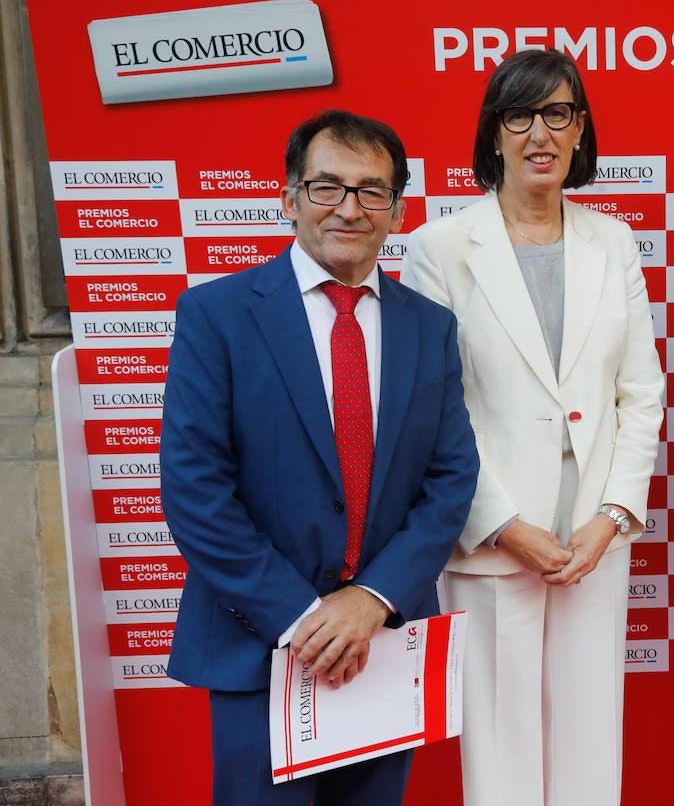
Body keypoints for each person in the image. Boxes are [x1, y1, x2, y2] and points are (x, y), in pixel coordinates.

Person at [160, 109, 479, 805]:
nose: (348, 207)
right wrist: (302, 617)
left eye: (371, 191)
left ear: (396, 211)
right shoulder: (216, 315)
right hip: (261, 645)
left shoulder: (429, 326)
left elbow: (451, 479)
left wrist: (370, 598)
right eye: (326, 186)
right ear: (289, 199)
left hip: (384, 642)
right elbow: (194, 492)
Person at [401, 48, 663, 806]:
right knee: (501, 754)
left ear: (581, 130)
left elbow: (639, 395)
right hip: (491, 537)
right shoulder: (441, 248)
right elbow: (435, 410)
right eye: (520, 114)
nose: (539, 132)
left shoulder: (611, 241)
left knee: (590, 742)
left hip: (592, 540)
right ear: (494, 133)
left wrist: (611, 518)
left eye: (558, 112)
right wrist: (504, 523)